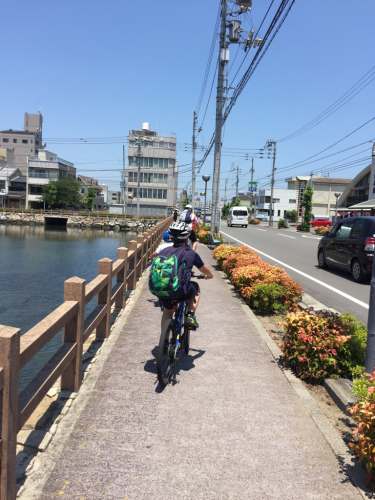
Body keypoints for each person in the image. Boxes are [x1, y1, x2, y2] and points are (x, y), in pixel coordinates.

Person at [152, 222, 213, 331]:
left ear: (170, 237)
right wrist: (209, 275)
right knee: (195, 287)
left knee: (168, 311)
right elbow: (204, 269)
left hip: (161, 289)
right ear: (187, 238)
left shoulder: (163, 251)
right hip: (180, 291)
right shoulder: (190, 253)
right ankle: (190, 315)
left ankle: (165, 342)